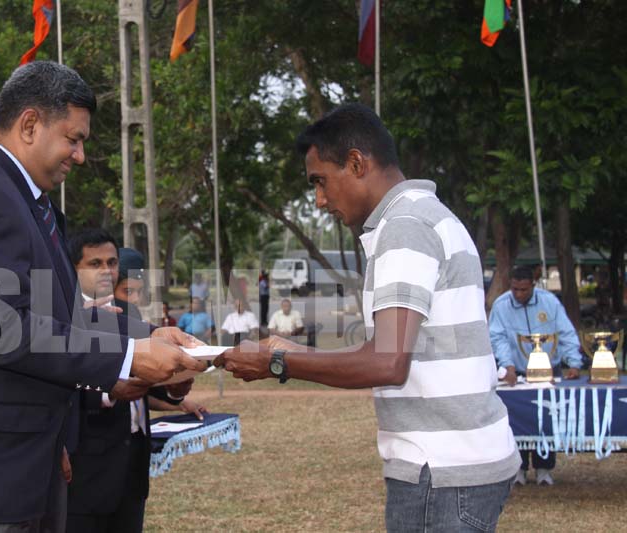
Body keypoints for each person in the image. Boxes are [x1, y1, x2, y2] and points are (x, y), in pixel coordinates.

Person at [0, 61, 203, 532]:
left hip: (12, 474)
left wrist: (149, 341)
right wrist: (129, 356)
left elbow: (59, 319)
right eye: (74, 138)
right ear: (29, 124)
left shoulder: (29, 204)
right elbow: (4, 329)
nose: (80, 155)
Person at [216, 103, 519, 532]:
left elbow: (387, 363)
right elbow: (397, 352)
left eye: (320, 182)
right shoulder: (426, 215)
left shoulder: (405, 225)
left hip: (442, 472)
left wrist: (276, 362)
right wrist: (293, 350)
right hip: (462, 463)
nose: (320, 201)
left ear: (356, 162)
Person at [68, 234, 206, 533]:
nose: (106, 270)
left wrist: (174, 387)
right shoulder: (61, 318)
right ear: (74, 268)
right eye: (95, 263)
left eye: (112, 262)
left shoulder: (129, 314)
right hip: (86, 469)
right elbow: (55, 381)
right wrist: (107, 393)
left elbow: (145, 373)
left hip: (132, 464)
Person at [489, 264, 582, 486]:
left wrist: (575, 362)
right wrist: (507, 366)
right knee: (518, 419)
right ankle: (518, 469)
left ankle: (544, 468)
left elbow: (565, 331)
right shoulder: (501, 306)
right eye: (515, 289)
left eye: (523, 289)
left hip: (549, 371)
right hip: (517, 373)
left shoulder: (549, 302)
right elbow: (497, 337)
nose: (519, 294)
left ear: (533, 285)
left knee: (546, 417)